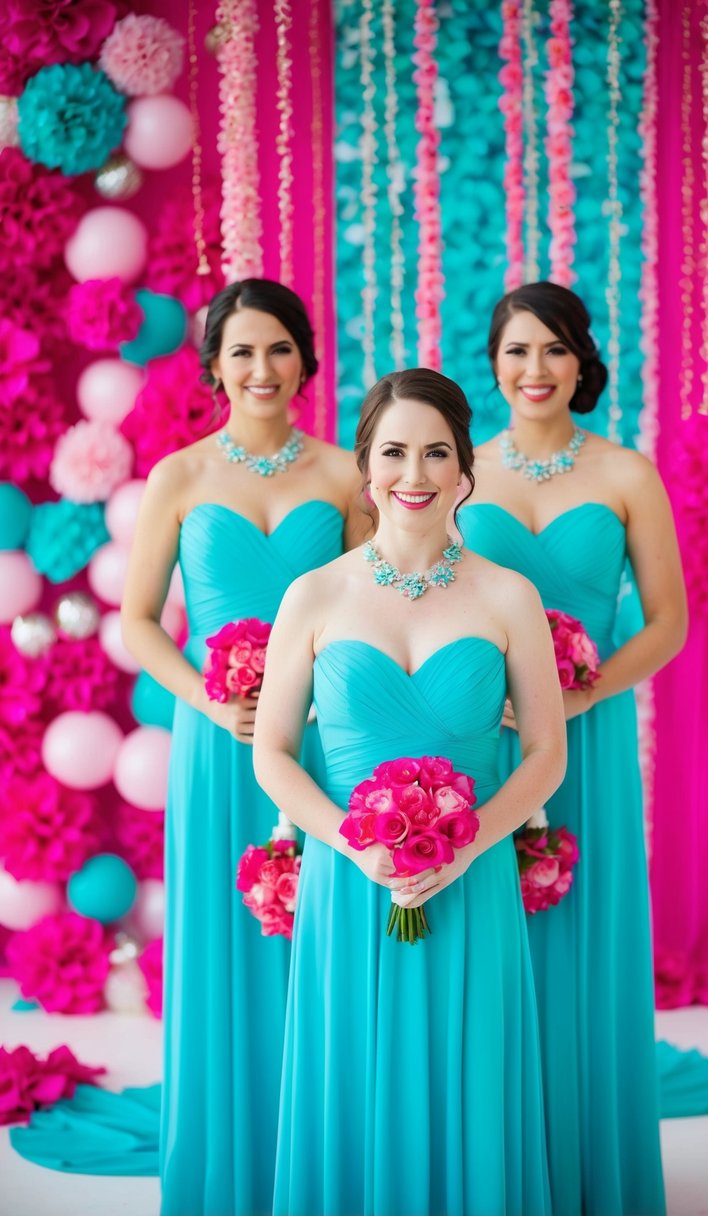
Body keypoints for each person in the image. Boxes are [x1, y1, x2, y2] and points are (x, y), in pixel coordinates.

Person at [253, 367, 567, 1216]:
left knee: (472, 1080)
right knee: (348, 1074)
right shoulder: (312, 594)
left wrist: (466, 845)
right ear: (366, 465)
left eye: (436, 453)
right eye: (394, 451)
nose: (414, 474)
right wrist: (355, 844)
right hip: (349, 880)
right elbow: (274, 755)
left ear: (464, 467)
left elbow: (544, 753)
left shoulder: (509, 596)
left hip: (472, 880)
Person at [121, 278, 358, 1216]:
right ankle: (231, 1154)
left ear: (305, 358)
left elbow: (370, 605)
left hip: (316, 747)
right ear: (214, 364)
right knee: (226, 940)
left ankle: (319, 1153)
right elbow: (141, 622)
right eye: (241, 351)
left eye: (278, 349)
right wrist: (209, 704)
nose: (261, 369)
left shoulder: (347, 476)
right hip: (217, 743)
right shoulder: (177, 478)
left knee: (316, 938)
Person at [460, 282, 688, 1216]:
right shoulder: (459, 470)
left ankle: (584, 1168)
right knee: (491, 947)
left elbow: (667, 624)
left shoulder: (628, 475)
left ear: (582, 362)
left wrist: (582, 688)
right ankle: (494, 1166)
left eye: (553, 350)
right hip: (484, 747)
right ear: (494, 364)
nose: (535, 369)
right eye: (517, 351)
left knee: (580, 944)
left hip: (584, 746)